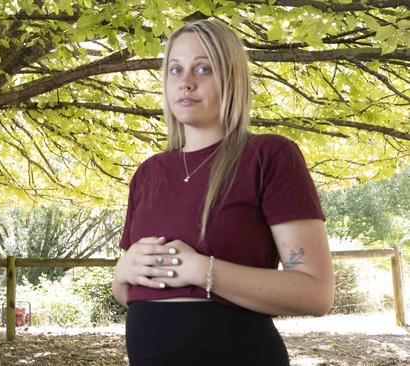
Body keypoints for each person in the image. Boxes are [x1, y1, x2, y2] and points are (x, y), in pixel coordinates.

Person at [111, 19, 335, 366]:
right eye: (175, 70)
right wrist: (122, 271)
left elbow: (315, 293)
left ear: (231, 78)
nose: (185, 82)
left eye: (203, 69)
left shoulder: (269, 156)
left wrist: (201, 270)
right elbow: (129, 294)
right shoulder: (148, 174)